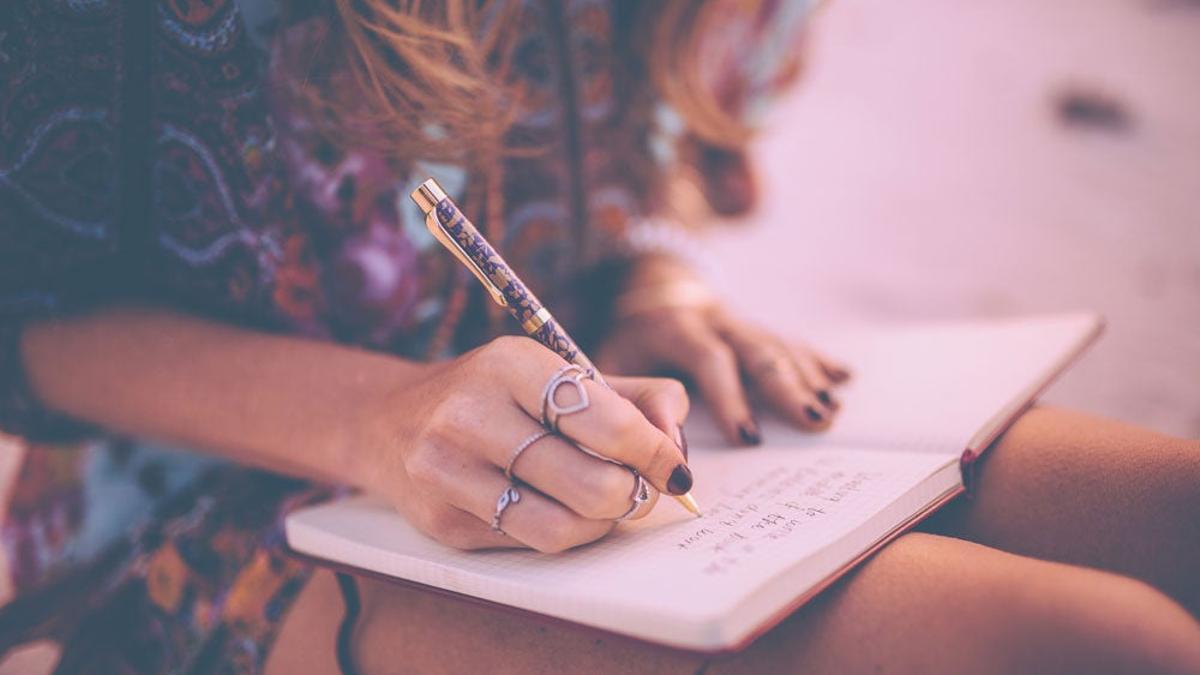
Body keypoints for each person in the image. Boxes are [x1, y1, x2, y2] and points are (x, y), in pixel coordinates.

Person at [0, 1, 1196, 673]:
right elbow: (30, 321)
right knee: (1095, 646)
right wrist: (377, 416)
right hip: (212, 497)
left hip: (595, 397)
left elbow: (656, 181)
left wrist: (655, 288)